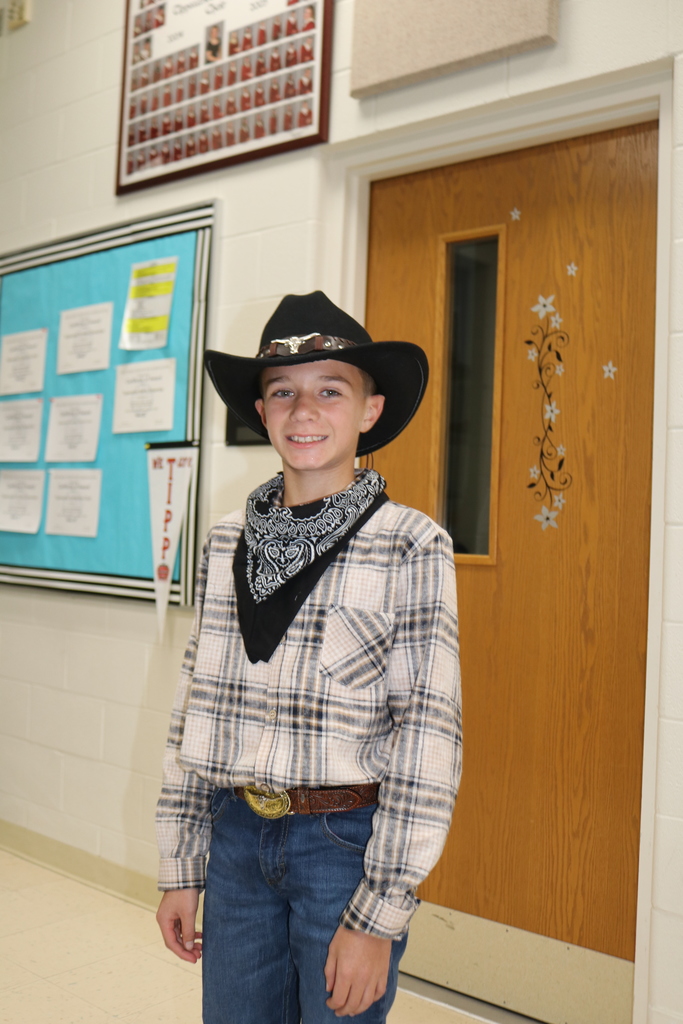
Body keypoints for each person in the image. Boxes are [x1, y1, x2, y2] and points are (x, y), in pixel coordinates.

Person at [155, 291, 462, 1024]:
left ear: (369, 411)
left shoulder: (409, 544)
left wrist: (378, 915)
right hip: (235, 840)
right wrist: (180, 864)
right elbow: (196, 704)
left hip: (342, 848)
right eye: (282, 393)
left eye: (331, 390)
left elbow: (427, 734)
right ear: (260, 413)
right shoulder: (227, 541)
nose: (304, 412)